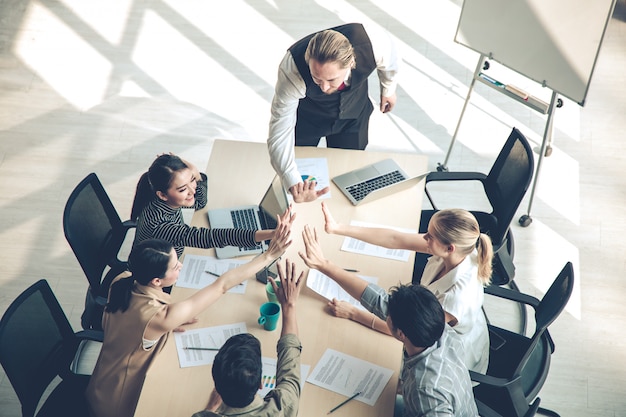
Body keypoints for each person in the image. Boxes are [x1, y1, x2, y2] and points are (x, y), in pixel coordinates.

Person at [85, 210, 293, 417]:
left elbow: (129, 323)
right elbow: (222, 285)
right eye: (175, 266)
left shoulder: (121, 280)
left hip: (101, 383)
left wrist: (158, 329)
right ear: (157, 281)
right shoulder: (160, 318)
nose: (181, 266)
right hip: (117, 404)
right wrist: (269, 255)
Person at [298, 225, 478, 416]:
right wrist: (324, 264)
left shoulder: (426, 392)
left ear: (400, 334)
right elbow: (378, 300)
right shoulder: (441, 330)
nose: (386, 310)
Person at [319, 202, 492, 374]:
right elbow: (395, 239)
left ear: (449, 248)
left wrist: (353, 313)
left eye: (429, 236)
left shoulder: (456, 298)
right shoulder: (460, 250)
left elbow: (405, 328)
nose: (424, 238)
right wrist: (337, 228)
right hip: (427, 324)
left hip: (449, 360)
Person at [267, 23, 400, 203]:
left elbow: (391, 60)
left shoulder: (373, 43)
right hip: (307, 120)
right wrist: (292, 180)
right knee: (297, 167)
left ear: (351, 63)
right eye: (316, 78)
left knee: (349, 171)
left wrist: (388, 89)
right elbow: (280, 131)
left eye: (331, 79)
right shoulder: (292, 69)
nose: (324, 87)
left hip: (354, 116)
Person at [191, 259, 304, 417]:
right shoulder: (282, 407)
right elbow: (290, 372)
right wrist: (289, 305)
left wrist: (209, 410)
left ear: (217, 386)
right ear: (260, 384)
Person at [131, 153, 280, 258]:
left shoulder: (166, 199)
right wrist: (270, 234)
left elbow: (199, 202)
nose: (192, 190)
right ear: (162, 195)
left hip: (170, 258)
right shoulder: (160, 226)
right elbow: (210, 237)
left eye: (192, 180)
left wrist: (196, 173)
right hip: (155, 275)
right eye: (182, 189)